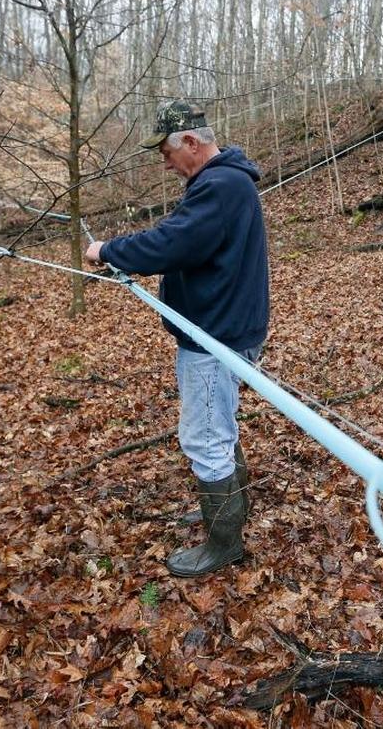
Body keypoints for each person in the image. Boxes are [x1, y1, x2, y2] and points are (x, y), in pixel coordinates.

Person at [85, 100, 269, 578]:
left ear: (191, 141)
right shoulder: (222, 182)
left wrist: (108, 250)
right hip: (225, 326)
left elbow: (173, 243)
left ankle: (223, 542)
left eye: (166, 152)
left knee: (205, 436)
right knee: (218, 423)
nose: (164, 163)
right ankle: (225, 509)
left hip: (215, 336)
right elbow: (184, 241)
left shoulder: (220, 185)